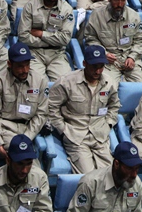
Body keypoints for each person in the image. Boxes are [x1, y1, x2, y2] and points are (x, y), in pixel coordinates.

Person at [48, 45, 119, 173]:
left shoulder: (110, 83)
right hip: (76, 137)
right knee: (88, 176)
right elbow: (51, 108)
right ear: (84, 63)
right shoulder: (66, 82)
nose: (97, 71)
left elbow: (114, 106)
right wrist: (63, 130)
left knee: (110, 174)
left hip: (100, 136)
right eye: (94, 67)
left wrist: (108, 124)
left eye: (101, 67)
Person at [0, 42, 48, 161]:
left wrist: (28, 137)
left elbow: (41, 114)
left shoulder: (40, 81)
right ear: (9, 64)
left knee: (27, 160)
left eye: (27, 65)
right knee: (22, 157)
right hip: (3, 128)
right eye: (20, 66)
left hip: (26, 129)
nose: (25, 70)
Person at [64, 141, 142, 212]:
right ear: (116, 164)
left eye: (137, 169)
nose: (134, 175)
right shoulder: (90, 183)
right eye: (130, 169)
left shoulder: (136, 184)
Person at [83, 0, 142, 86]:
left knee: (141, 87)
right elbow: (90, 39)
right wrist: (103, 53)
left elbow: (140, 40)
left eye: (123, 0)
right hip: (108, 62)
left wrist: (132, 56)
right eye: (116, 0)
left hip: (130, 58)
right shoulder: (97, 16)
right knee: (108, 87)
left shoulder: (134, 16)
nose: (120, 4)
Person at [17, 0, 75, 80]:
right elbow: (23, 36)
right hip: (34, 53)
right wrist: (50, 41)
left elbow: (65, 39)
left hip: (57, 54)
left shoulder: (67, 9)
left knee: (64, 83)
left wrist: (40, 33)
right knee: (36, 82)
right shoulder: (30, 6)